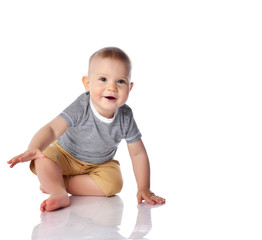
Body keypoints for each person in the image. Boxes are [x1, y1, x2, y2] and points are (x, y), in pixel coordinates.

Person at [7, 47, 165, 212]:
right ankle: (57, 191)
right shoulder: (82, 106)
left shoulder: (126, 116)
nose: (112, 87)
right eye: (103, 79)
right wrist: (35, 147)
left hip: (99, 164)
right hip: (65, 156)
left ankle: (58, 182)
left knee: (114, 184)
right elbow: (53, 129)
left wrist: (144, 187)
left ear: (130, 88)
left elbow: (137, 153)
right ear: (87, 83)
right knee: (43, 157)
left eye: (120, 81)